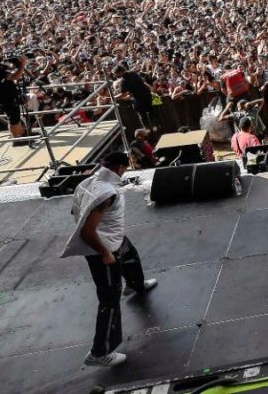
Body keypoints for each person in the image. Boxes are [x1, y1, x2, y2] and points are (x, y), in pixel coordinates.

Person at [61, 152, 158, 367]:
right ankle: (99, 352)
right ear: (122, 168)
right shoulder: (106, 193)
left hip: (114, 239)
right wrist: (105, 253)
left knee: (130, 254)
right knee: (109, 299)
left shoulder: (87, 182)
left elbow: (74, 210)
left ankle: (135, 285)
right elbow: (87, 232)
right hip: (103, 249)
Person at [0, 44, 27, 138]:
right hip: (5, 99)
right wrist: (22, 64)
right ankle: (16, 139)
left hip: (7, 97)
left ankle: (22, 134)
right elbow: (15, 76)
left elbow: (9, 69)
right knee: (13, 119)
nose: (1, 54)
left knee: (16, 117)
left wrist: (15, 62)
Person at [114, 64, 157, 130]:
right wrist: (150, 89)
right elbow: (143, 82)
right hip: (147, 95)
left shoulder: (123, 81)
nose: (116, 75)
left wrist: (114, 98)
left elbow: (124, 94)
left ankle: (147, 130)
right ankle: (155, 127)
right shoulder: (133, 73)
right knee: (151, 111)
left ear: (119, 72)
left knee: (143, 115)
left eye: (116, 73)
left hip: (138, 99)